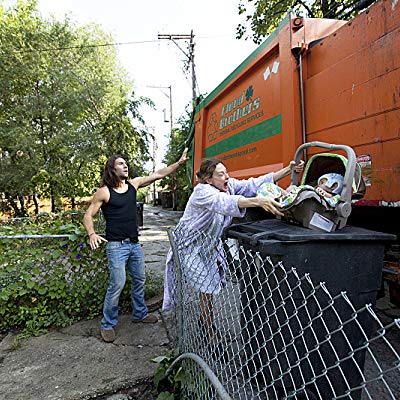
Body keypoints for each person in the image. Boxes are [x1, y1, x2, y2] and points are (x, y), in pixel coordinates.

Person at [162, 157, 304, 346]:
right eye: (221, 174)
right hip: (189, 247)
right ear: (208, 179)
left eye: (226, 172)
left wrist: (288, 170)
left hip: (208, 246)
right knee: (206, 286)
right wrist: (258, 201)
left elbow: (252, 184)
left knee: (208, 287)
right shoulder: (202, 192)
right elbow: (224, 202)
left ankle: (205, 324)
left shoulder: (226, 186)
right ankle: (205, 329)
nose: (227, 177)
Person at [83, 148, 189, 343]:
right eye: (121, 164)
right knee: (117, 284)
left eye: (126, 163)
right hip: (116, 246)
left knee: (139, 279)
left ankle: (139, 313)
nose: (126, 166)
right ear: (112, 170)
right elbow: (88, 215)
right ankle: (107, 324)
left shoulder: (133, 184)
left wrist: (179, 163)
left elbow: (158, 174)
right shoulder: (104, 192)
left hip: (134, 245)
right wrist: (91, 233)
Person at [257, 172, 344, 207]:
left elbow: (333, 198)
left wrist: (324, 193)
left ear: (333, 186)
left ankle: (281, 197)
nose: (318, 185)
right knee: (291, 188)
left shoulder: (333, 196)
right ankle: (280, 195)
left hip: (302, 202)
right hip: (295, 196)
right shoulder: (315, 188)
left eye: (322, 183)